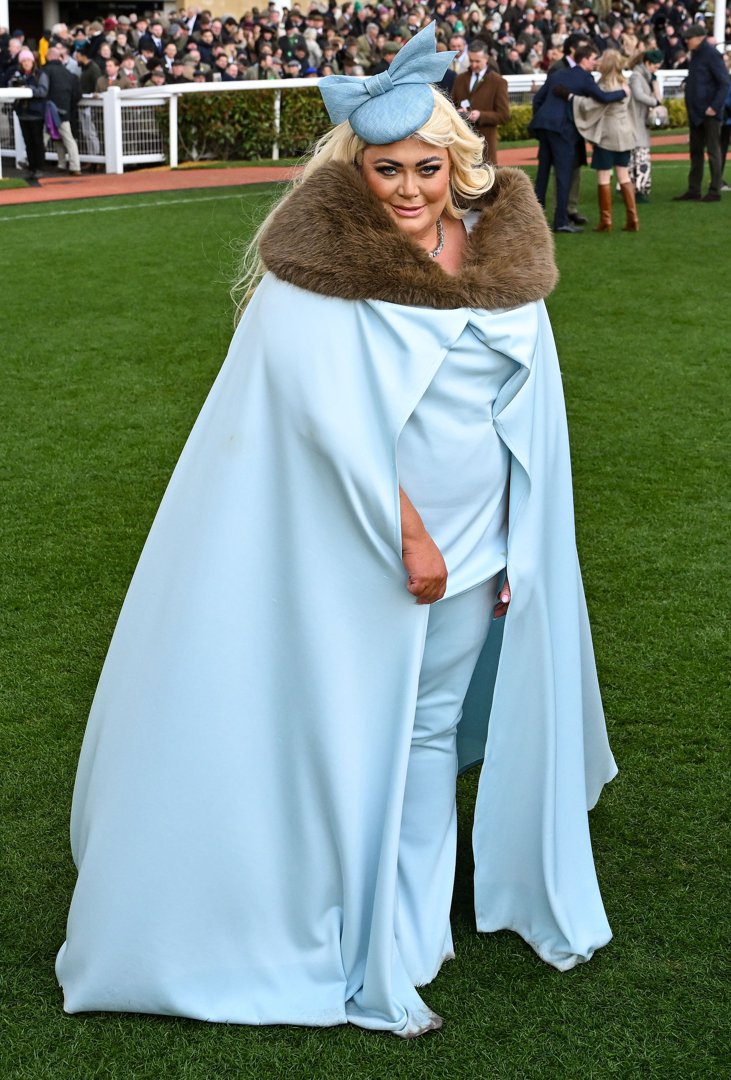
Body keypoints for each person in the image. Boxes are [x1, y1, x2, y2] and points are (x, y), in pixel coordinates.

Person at [56, 23, 616, 1039]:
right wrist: (406, 535)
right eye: (384, 170)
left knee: (427, 731)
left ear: (458, 163)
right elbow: (316, 425)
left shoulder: (502, 257)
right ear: (354, 174)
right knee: (352, 732)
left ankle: (408, 928)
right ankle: (342, 921)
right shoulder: (309, 280)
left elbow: (523, 420)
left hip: (482, 544)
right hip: (359, 551)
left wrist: (515, 544)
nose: (407, 189)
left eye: (425, 167)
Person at [530, 44, 628, 232]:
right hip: (563, 130)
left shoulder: (558, 74)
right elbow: (602, 98)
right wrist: (623, 92)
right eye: (593, 59)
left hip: (544, 126)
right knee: (564, 175)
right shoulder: (585, 77)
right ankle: (561, 222)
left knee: (542, 174)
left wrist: (542, 118)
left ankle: (534, 221)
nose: (595, 62)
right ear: (584, 59)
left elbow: (537, 99)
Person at [573, 49, 640, 231]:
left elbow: (590, 106)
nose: (598, 61)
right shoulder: (624, 83)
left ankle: (606, 220)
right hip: (625, 133)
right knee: (623, 176)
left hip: (607, 135)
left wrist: (573, 98)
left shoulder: (604, 86)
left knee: (604, 177)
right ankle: (632, 218)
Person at [672, 24, 730, 203]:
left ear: (698, 37)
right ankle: (694, 189)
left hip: (709, 113)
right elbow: (702, 78)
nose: (686, 41)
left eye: (688, 39)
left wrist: (714, 106)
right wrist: (687, 81)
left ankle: (715, 189)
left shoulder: (711, 54)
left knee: (713, 151)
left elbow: (724, 82)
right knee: (696, 151)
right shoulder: (697, 54)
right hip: (697, 112)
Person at [451, 39, 509, 163]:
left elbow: (504, 115)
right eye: (471, 60)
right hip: (462, 147)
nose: (474, 65)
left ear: (486, 58)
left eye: (477, 61)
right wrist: (458, 112)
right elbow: (451, 106)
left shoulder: (498, 82)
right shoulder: (460, 79)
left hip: (485, 148)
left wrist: (480, 115)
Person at [628, 49, 664, 202]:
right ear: (647, 63)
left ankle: (635, 188)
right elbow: (638, 94)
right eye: (655, 66)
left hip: (640, 120)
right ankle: (639, 190)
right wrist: (654, 102)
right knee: (640, 157)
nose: (656, 69)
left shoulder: (644, 76)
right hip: (636, 121)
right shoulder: (637, 76)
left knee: (637, 157)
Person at [43, 45, 81, 177]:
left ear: (48, 57)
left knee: (47, 137)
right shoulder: (70, 74)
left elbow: (43, 90)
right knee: (67, 138)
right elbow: (77, 95)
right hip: (65, 111)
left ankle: (36, 164)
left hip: (48, 110)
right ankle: (75, 166)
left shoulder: (45, 71)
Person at [9, 49, 47, 181]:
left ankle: (40, 168)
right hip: (23, 113)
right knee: (28, 142)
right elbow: (10, 87)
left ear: (32, 61)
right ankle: (32, 168)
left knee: (37, 141)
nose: (26, 63)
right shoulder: (17, 75)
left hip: (36, 113)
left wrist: (28, 89)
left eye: (28, 60)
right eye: (23, 61)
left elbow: (43, 91)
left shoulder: (40, 75)